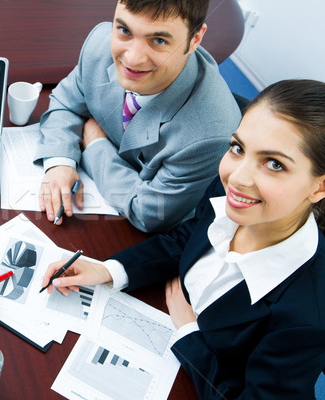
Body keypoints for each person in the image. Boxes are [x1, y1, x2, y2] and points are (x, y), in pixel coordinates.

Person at [42, 79, 325, 399]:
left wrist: (189, 334)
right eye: (238, 148)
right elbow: (188, 237)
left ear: (319, 187)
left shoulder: (307, 318)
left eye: (274, 164)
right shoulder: (229, 193)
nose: (238, 177)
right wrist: (110, 270)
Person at [35, 0, 241, 232]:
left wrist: (94, 144)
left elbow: (149, 213)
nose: (132, 59)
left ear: (195, 39)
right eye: (125, 30)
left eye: (159, 40)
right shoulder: (99, 43)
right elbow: (65, 102)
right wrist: (60, 162)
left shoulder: (210, 136)